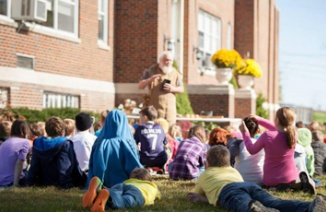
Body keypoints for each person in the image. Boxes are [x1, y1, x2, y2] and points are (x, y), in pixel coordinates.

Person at [187, 145, 326, 212]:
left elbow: (196, 194)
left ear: (208, 163)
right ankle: (310, 207)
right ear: (228, 162)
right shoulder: (232, 170)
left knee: (242, 203)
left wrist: (201, 198)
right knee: (275, 202)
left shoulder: (204, 175)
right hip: (248, 186)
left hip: (228, 191)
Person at [239, 107, 316, 194]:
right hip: (291, 177)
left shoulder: (267, 135)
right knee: (295, 174)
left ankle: (278, 187)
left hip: (271, 180)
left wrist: (245, 133)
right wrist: (259, 120)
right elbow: (279, 129)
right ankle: (300, 183)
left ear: (277, 119)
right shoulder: (294, 134)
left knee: (274, 183)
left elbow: (252, 150)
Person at [87, 110, 143, 188]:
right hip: (125, 183)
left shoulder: (100, 142)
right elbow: (134, 166)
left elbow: (95, 166)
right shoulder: (128, 142)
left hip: (103, 183)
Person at [27, 116, 86, 189]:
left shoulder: (37, 142)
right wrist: (67, 185)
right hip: (59, 182)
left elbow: (34, 165)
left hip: (42, 181)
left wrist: (30, 182)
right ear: (62, 131)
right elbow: (64, 167)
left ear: (46, 130)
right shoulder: (65, 143)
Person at [82, 168, 160, 212]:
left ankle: (101, 189)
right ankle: (107, 199)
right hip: (139, 192)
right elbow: (158, 196)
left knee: (113, 192)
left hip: (123, 185)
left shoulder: (128, 181)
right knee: (125, 200)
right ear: (148, 179)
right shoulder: (152, 186)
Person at [138, 51, 184, 125]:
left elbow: (182, 89)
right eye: (166, 60)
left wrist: (173, 89)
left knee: (169, 131)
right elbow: (140, 86)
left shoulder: (176, 73)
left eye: (170, 60)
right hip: (155, 110)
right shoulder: (150, 71)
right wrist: (150, 79)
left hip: (170, 111)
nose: (168, 62)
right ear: (160, 60)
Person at [231, 117, 265, 185]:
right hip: (258, 180)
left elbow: (231, 157)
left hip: (240, 179)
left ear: (241, 129)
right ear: (258, 130)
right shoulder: (263, 144)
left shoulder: (238, 143)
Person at [134, 106, 168, 174]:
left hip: (145, 160)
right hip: (161, 159)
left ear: (145, 117)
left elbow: (133, 143)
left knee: (135, 151)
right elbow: (165, 143)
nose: (139, 120)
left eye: (140, 117)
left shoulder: (140, 128)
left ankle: (147, 168)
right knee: (167, 149)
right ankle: (161, 167)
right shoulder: (160, 127)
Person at [0, 120, 31, 187]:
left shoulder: (4, 143)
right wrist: (15, 183)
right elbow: (20, 163)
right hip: (12, 181)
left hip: (1, 181)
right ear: (25, 130)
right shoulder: (25, 142)